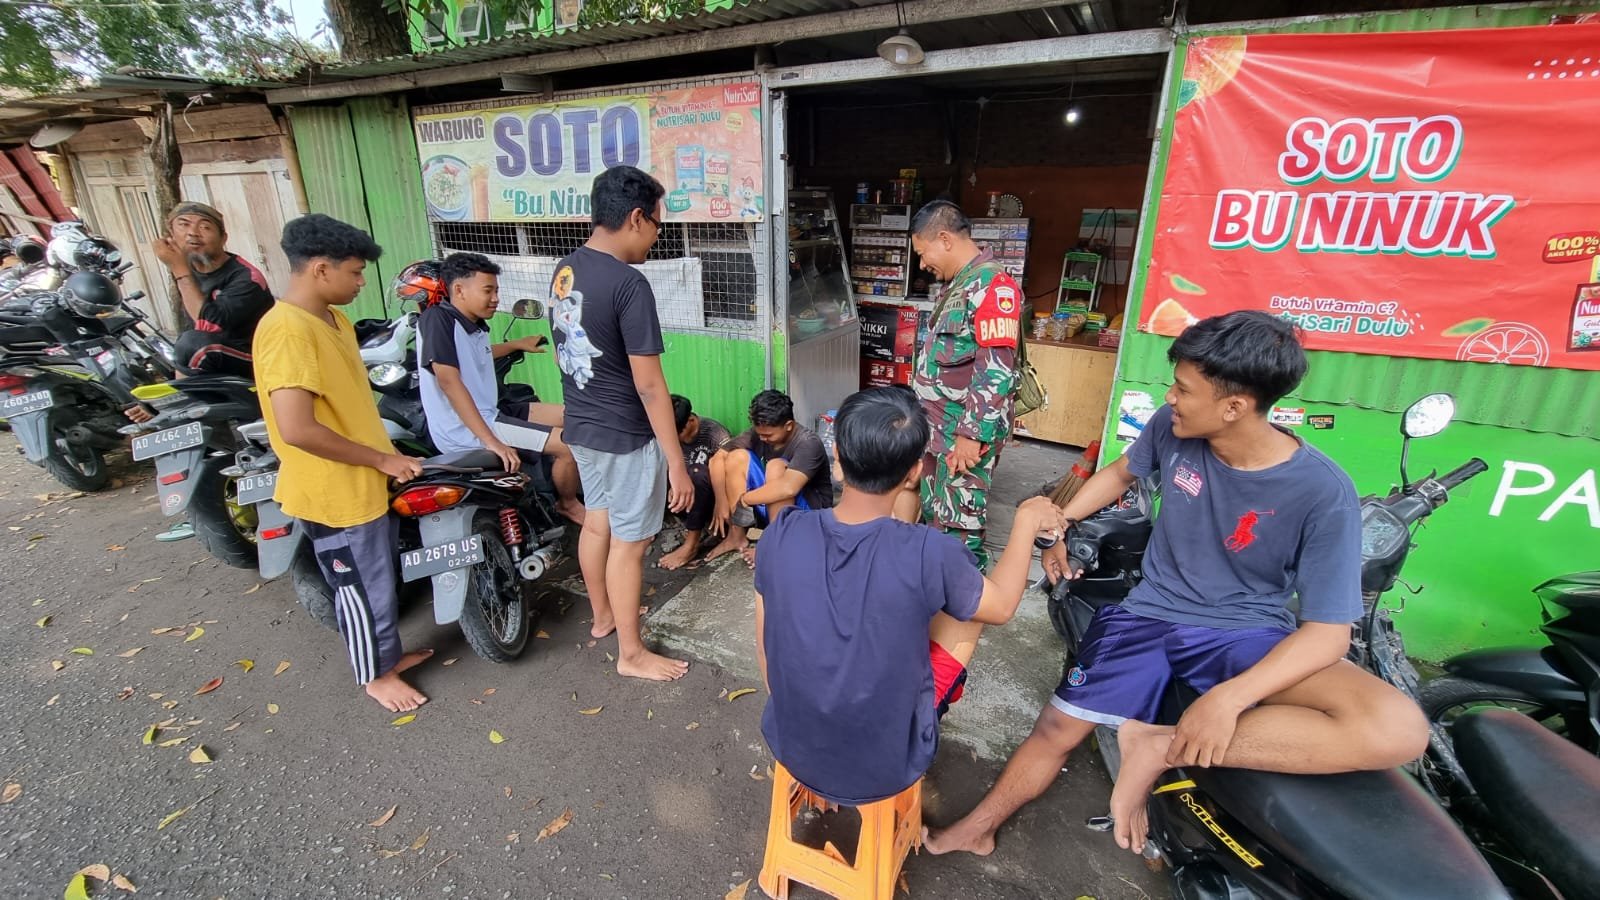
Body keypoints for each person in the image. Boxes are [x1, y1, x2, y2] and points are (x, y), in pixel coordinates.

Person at [923, 311, 1430, 858]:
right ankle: (979, 827)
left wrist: (1229, 700)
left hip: (1247, 630)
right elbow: (1122, 472)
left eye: (1183, 389)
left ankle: (1159, 746)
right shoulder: (1173, 428)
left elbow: (1328, 634)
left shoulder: (1323, 491)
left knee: (1399, 728)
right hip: (1148, 613)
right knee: (1055, 729)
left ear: (1234, 407)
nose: (1169, 398)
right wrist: (1062, 523)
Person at [755, 386, 1066, 806]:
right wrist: (1025, 523)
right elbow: (1003, 607)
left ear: (838, 460)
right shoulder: (931, 552)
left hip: (791, 739)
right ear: (915, 472)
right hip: (887, 765)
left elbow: (766, 646)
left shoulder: (782, 533)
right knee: (970, 607)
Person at [253, 214, 432, 713]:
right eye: (354, 273)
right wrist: (381, 458)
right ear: (319, 269)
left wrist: (383, 459)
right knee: (356, 587)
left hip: (363, 481)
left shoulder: (332, 320)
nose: (360, 283)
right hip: (333, 490)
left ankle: (387, 656)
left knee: (377, 580)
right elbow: (297, 428)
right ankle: (375, 676)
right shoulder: (287, 330)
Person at [551, 165, 693, 683]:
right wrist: (676, 463)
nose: (656, 236)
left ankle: (605, 617)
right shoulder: (629, 284)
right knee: (630, 546)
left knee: (598, 523)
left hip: (583, 427)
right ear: (636, 218)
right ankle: (631, 654)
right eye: (657, 225)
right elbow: (650, 386)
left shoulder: (566, 269)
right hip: (625, 436)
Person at [896, 200, 1023, 570]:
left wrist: (972, 433)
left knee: (959, 525)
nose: (923, 264)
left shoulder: (992, 286)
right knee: (937, 512)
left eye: (923, 253)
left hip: (961, 433)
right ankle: (937, 586)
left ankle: (966, 593)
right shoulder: (960, 284)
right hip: (938, 428)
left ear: (945, 239)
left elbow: (996, 369)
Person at [416, 252, 584, 523]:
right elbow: (448, 381)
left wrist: (517, 345)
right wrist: (491, 441)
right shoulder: (438, 320)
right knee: (567, 445)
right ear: (459, 290)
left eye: (496, 290)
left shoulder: (471, 324)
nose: (495, 298)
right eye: (488, 291)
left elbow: (478, 355)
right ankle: (568, 504)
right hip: (469, 429)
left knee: (575, 415)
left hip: (490, 412)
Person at [706, 390, 834, 567]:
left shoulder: (808, 442)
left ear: (788, 425)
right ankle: (736, 537)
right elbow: (717, 459)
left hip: (811, 514)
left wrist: (744, 499)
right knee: (736, 457)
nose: (762, 439)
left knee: (776, 466)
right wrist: (721, 502)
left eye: (768, 435)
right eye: (760, 434)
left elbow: (788, 488)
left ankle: (776, 545)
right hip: (777, 508)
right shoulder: (760, 433)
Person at [153, 201, 275, 378]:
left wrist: (180, 271)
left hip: (258, 357)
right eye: (184, 225)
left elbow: (209, 326)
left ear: (223, 238)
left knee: (193, 345)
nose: (193, 233)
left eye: (205, 227)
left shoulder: (246, 278)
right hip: (219, 355)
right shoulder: (191, 270)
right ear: (171, 236)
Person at [657, 394, 733, 570]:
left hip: (714, 501)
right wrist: (673, 485)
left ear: (690, 421)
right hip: (685, 499)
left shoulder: (714, 433)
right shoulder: (671, 438)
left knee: (697, 472)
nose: (673, 439)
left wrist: (721, 502)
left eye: (677, 434)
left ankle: (691, 545)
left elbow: (730, 475)